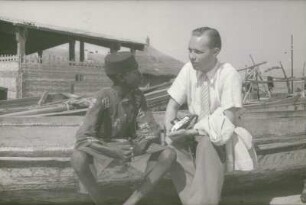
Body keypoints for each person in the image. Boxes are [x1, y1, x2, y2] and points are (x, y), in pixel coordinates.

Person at [70, 51, 176, 205]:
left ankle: (131, 201)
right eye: (135, 72)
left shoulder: (138, 96)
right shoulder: (103, 97)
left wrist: (141, 143)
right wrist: (112, 150)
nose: (140, 75)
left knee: (169, 154)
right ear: (121, 77)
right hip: (104, 149)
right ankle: (100, 202)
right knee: (77, 157)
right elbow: (83, 136)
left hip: (131, 147)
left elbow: (150, 128)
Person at [164, 27, 243, 205]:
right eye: (190, 50)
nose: (192, 56)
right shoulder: (188, 69)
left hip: (220, 135)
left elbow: (227, 120)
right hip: (192, 133)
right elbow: (172, 104)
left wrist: (192, 133)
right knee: (171, 147)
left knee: (207, 143)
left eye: (198, 52)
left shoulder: (228, 74)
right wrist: (170, 128)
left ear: (215, 52)